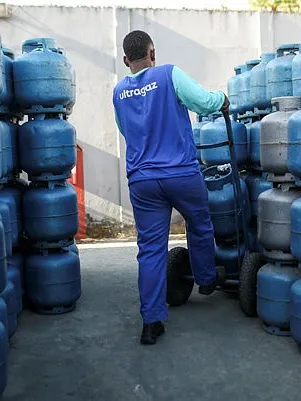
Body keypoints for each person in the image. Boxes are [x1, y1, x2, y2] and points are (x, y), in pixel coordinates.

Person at [113, 30, 229, 345]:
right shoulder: (168, 74)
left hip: (142, 180)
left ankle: (151, 323)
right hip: (181, 173)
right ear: (153, 53)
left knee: (150, 249)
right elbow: (204, 102)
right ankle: (205, 280)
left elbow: (125, 130)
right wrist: (222, 99)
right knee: (200, 221)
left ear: (126, 60)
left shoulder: (119, 91)